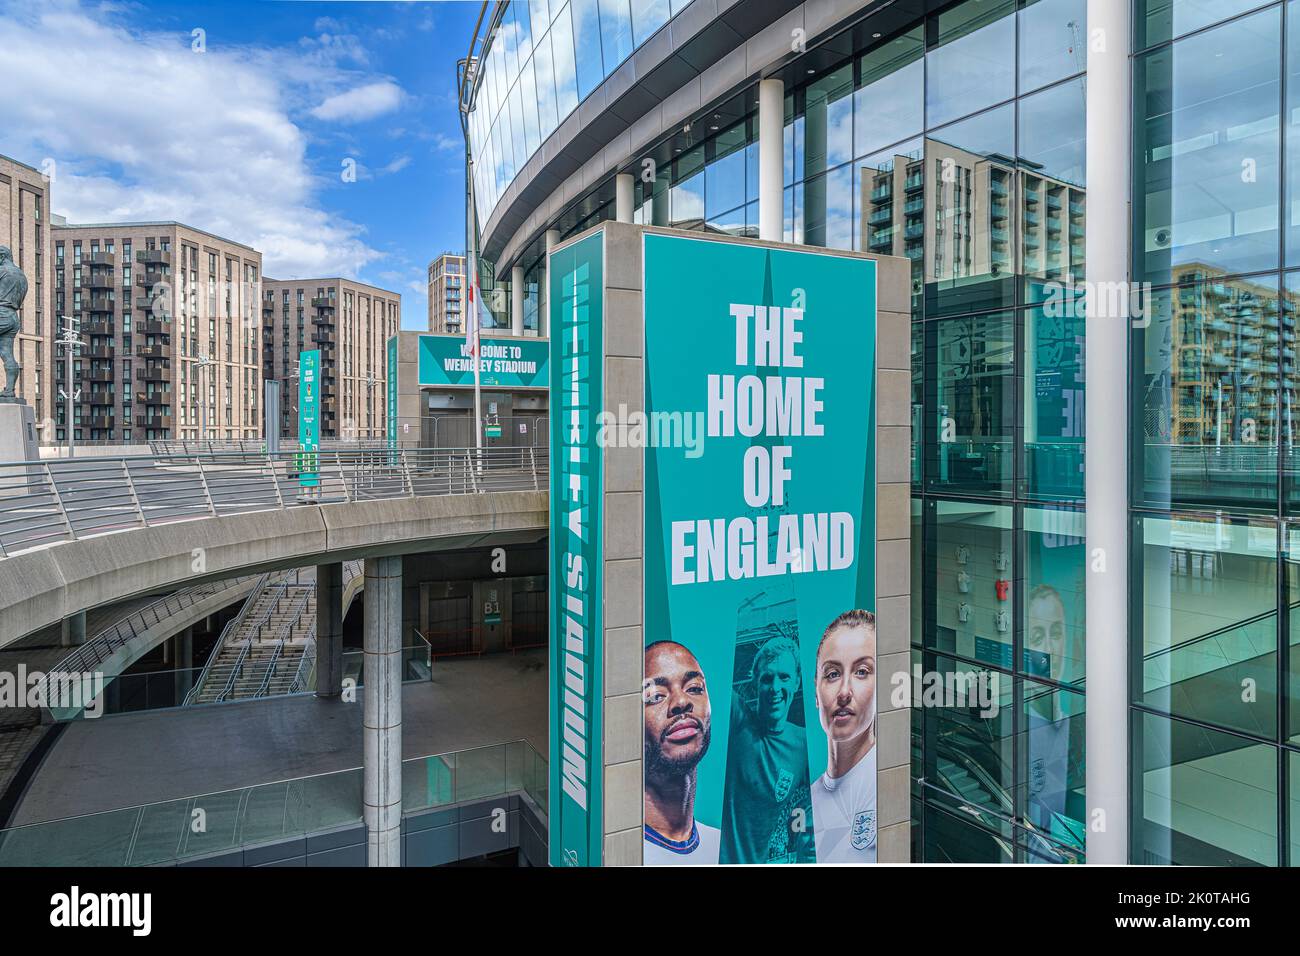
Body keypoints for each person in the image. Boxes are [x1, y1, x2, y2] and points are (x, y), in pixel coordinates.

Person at [718, 634, 814, 864]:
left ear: (797, 682)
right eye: (767, 678)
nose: (775, 688)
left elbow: (818, 801)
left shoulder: (803, 744)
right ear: (755, 682)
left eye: (784, 677)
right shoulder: (736, 719)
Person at [643, 641, 720, 864]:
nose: (681, 701)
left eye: (694, 688)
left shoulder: (722, 848)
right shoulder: (613, 853)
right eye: (656, 695)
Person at [810, 609, 877, 863]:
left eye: (861, 672)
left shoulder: (891, 783)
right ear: (816, 692)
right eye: (833, 674)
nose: (844, 692)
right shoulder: (805, 801)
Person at [0, 246, 28, 400]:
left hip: (1, 312)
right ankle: (9, 390)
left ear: (2, 256)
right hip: (12, 316)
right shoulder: (22, 275)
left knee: (6, 352)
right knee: (6, 353)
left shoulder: (2, 271)